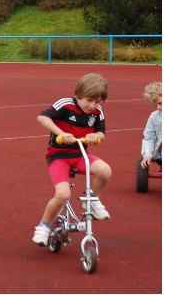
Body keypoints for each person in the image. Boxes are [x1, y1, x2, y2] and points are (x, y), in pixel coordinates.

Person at [31, 73, 114, 247]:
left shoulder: (97, 112)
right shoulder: (65, 104)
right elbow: (42, 117)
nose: (93, 106)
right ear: (78, 94)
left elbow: (101, 133)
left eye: (98, 102)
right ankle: (44, 226)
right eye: (89, 100)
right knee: (62, 195)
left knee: (105, 170)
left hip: (79, 155)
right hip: (59, 157)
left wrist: (95, 137)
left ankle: (91, 200)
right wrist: (61, 133)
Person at [139, 82, 162, 168]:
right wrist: (147, 155)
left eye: (160, 103)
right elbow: (149, 137)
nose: (158, 107)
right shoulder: (154, 116)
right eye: (156, 105)